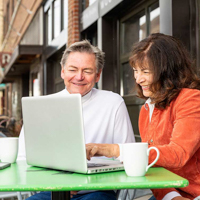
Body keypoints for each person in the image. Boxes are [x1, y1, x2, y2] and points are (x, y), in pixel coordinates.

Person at [86, 33, 200, 200]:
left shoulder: (190, 99)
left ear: (167, 71)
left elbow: (178, 154)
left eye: (145, 71)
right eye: (135, 71)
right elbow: (152, 165)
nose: (138, 79)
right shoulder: (147, 109)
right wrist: (170, 196)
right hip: (169, 193)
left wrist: (113, 150)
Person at [18, 40, 135, 200]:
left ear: (98, 75)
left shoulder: (113, 103)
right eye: (73, 69)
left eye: (87, 70)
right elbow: (23, 158)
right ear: (63, 71)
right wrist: (57, 183)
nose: (79, 77)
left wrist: (86, 181)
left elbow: (129, 156)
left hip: (97, 191)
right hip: (50, 190)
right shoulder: (41, 106)